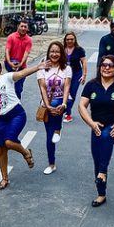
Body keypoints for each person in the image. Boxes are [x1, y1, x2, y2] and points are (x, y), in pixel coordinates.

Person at [78, 54, 114, 207]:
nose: (107, 68)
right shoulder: (92, 85)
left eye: (111, 65)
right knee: (98, 159)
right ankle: (101, 194)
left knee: (106, 136)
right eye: (104, 65)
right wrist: (91, 123)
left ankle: (103, 171)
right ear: (99, 67)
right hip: (96, 128)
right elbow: (82, 106)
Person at [0, 58, 45, 189]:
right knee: (1, 149)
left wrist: (37, 67)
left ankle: (26, 152)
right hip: (1, 119)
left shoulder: (6, 78)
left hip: (16, 114)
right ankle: (4, 179)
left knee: (9, 142)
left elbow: (22, 74)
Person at [37, 41, 72, 175]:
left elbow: (67, 86)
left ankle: (58, 128)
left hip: (61, 101)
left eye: (57, 51)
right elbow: (42, 88)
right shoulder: (42, 68)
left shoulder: (66, 68)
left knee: (58, 103)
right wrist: (47, 105)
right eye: (52, 51)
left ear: (61, 53)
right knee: (49, 137)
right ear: (48, 53)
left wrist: (63, 104)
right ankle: (51, 164)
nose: (54, 54)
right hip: (47, 103)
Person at [4, 19, 33, 99]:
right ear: (18, 27)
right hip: (10, 64)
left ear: (27, 28)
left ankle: (17, 104)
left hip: (21, 66)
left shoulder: (29, 40)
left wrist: (20, 64)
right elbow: (7, 50)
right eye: (22, 26)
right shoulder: (11, 37)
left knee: (18, 88)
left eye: (25, 27)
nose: (23, 28)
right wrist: (9, 62)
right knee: (9, 85)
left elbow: (26, 54)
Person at [63, 31, 87, 123]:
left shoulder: (79, 50)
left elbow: (84, 62)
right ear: (65, 40)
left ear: (75, 40)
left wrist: (84, 75)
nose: (69, 41)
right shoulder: (62, 49)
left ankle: (68, 113)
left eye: (71, 39)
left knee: (71, 94)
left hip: (76, 74)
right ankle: (65, 108)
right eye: (68, 39)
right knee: (64, 92)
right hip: (64, 74)